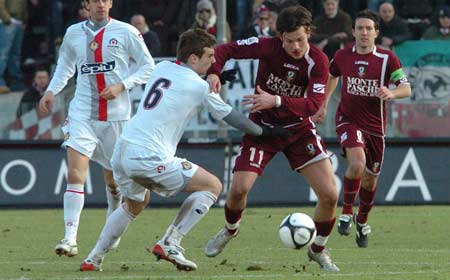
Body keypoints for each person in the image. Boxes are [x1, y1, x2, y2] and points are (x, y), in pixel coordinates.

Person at [79, 28, 290, 272]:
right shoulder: (199, 88)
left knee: (135, 203)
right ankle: (171, 242)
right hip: (148, 155)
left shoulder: (163, 68)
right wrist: (266, 133)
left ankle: (93, 258)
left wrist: (213, 77)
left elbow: (179, 86)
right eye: (210, 56)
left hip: (123, 151)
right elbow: (234, 119)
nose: (214, 62)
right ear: (193, 58)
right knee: (213, 186)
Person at [204, 5, 340, 272]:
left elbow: (313, 105)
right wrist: (213, 71)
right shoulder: (266, 46)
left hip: (298, 131)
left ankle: (318, 249)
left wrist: (275, 99)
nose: (296, 47)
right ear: (280, 37)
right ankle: (231, 230)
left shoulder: (319, 61)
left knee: (330, 194)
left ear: (308, 33)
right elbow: (225, 50)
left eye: (300, 39)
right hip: (262, 130)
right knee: (238, 189)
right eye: (289, 41)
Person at [38, 0, 155, 257]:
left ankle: (111, 223)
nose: (101, 4)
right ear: (86, 5)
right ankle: (69, 239)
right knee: (75, 173)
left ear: (110, 3)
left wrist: (121, 85)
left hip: (117, 118)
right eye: (95, 0)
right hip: (82, 113)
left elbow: (148, 66)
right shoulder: (73, 33)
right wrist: (51, 91)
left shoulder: (126, 31)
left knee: (114, 180)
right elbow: (66, 66)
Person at [312, 10, 411, 248]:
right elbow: (332, 75)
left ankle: (362, 221)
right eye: (360, 28)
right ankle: (346, 213)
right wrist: (324, 103)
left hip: (375, 127)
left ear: (376, 32)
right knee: (357, 163)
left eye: (369, 29)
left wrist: (392, 92)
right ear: (353, 32)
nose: (364, 33)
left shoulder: (388, 59)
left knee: (370, 181)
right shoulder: (343, 55)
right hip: (348, 119)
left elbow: (406, 88)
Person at [0, 0, 27, 94]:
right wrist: (7, 20)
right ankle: (0, 83)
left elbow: (24, 5)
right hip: (7, 22)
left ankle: (16, 83)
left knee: (15, 54)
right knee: (3, 54)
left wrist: (24, 20)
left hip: (19, 22)